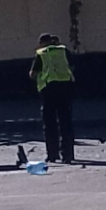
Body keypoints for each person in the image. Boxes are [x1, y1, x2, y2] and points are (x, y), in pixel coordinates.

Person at [30, 33, 75, 164]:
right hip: (65, 87)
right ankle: (68, 154)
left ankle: (52, 154)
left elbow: (33, 73)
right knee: (66, 122)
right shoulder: (64, 50)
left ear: (42, 43)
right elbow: (71, 67)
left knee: (49, 123)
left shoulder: (41, 53)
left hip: (48, 89)